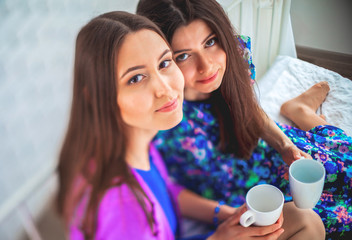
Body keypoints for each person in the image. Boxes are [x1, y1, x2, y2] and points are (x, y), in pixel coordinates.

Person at [56, 11, 294, 240]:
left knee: (302, 219)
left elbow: (167, 189)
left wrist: (226, 215)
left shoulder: (139, 145)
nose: (166, 88)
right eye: (136, 78)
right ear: (97, 97)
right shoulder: (120, 206)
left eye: (164, 63)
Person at [136, 0, 352, 239]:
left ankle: (299, 110)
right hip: (237, 195)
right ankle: (301, 111)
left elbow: (248, 108)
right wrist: (224, 214)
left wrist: (284, 145)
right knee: (326, 217)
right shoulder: (158, 116)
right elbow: (167, 188)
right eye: (184, 55)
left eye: (210, 42)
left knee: (344, 164)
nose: (207, 66)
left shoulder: (233, 55)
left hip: (264, 149)